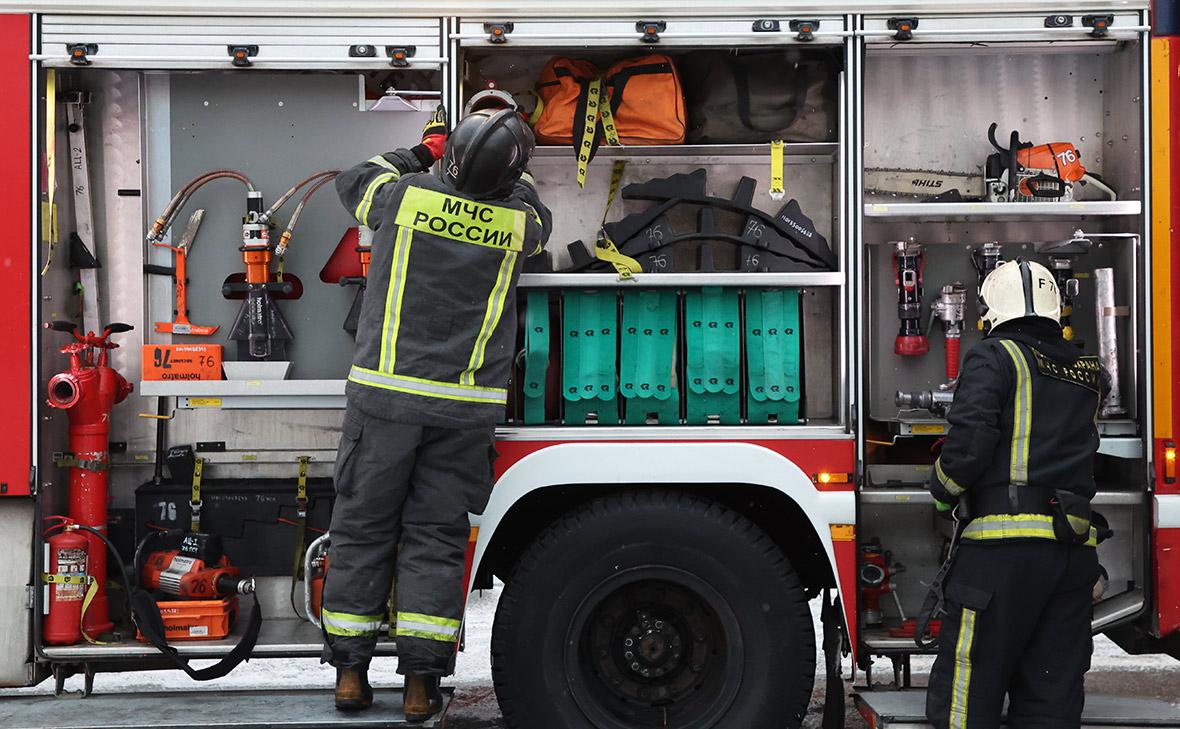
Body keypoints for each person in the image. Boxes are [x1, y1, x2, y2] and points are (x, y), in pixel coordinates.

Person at [321, 105, 551, 721]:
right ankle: (421, 686)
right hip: (462, 413)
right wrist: (510, 168)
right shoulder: (519, 222)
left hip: (384, 402)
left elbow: (355, 178)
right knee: (436, 539)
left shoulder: (403, 198)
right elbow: (535, 209)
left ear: (451, 157)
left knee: (363, 530)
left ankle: (350, 676)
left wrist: (426, 150)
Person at [925, 258, 1109, 729]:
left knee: (967, 694)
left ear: (992, 312)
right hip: (1072, 554)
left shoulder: (994, 356)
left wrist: (942, 489)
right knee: (1051, 695)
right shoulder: (1090, 370)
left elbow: (968, 445)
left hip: (1001, 556)